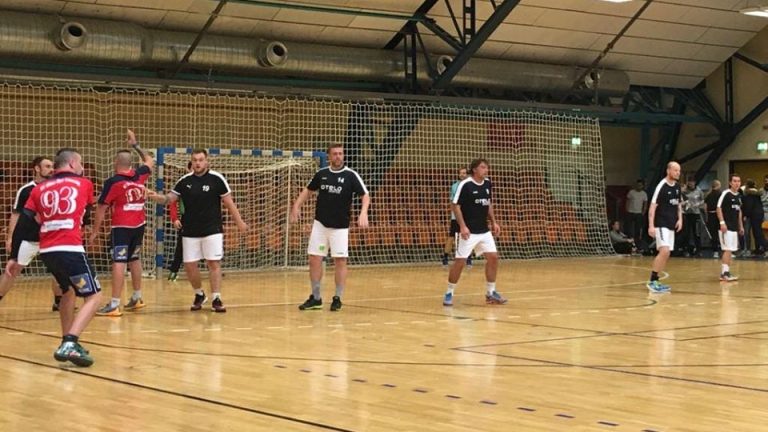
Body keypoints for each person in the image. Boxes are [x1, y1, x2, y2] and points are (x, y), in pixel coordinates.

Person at [25, 148, 102, 367]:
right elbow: (86, 211)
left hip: (47, 250)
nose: (82, 167)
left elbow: (30, 217)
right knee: (94, 296)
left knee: (68, 292)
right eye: (80, 163)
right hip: (70, 248)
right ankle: (70, 342)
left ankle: (66, 340)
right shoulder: (84, 183)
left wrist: (14, 257)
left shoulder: (39, 188)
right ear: (71, 164)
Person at [147, 149, 248, 313]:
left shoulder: (217, 179)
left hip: (212, 229)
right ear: (191, 162)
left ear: (207, 161)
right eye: (195, 160)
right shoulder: (184, 181)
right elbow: (169, 199)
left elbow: (229, 203)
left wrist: (240, 222)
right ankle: (199, 294)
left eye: (201, 160)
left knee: (213, 263)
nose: (198, 163)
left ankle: (216, 298)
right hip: (190, 231)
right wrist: (154, 196)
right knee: (189, 266)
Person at [290, 144, 370, 312]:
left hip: (340, 227)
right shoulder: (322, 174)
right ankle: (316, 297)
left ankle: (337, 298)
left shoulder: (350, 175)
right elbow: (308, 190)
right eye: (335, 154)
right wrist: (296, 206)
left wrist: (363, 212)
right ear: (329, 156)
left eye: (340, 154)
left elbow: (365, 195)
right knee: (314, 258)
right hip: (320, 225)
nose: (338, 156)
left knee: (340, 260)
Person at [90, 130, 153, 316]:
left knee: (119, 261)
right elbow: (149, 160)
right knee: (134, 258)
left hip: (121, 228)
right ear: (131, 164)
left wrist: (95, 231)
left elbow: (101, 208)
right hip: (139, 225)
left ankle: (114, 304)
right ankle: (137, 297)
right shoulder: (139, 176)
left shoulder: (113, 182)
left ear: (116, 163)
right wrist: (135, 145)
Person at [0, 156, 62, 309]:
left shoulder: (57, 188)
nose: (51, 169)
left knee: (60, 270)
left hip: (50, 237)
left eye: (52, 166)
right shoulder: (26, 190)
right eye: (47, 166)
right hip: (29, 238)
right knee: (13, 270)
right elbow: (16, 214)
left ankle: (59, 303)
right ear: (37, 168)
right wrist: (10, 238)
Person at [443, 158, 505, 307]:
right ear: (475, 169)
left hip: (483, 230)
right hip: (468, 231)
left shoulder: (488, 183)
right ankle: (449, 292)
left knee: (493, 258)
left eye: (487, 167)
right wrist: (463, 226)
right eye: (483, 167)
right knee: (460, 262)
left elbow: (488, 203)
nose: (486, 170)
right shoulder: (465, 185)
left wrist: (493, 222)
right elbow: (455, 206)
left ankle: (491, 292)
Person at [647, 161, 682, 293]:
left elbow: (678, 204)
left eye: (679, 171)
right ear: (668, 171)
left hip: (671, 223)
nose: (678, 173)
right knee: (664, 250)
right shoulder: (661, 186)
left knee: (666, 253)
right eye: (675, 170)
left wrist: (680, 219)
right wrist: (651, 226)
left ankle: (656, 281)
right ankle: (652, 281)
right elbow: (652, 207)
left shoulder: (677, 187)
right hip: (661, 223)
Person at [167, 161, 192, 281]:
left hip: (204, 219)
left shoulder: (207, 182)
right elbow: (172, 202)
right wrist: (175, 218)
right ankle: (174, 271)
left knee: (207, 244)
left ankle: (214, 269)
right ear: (188, 169)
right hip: (187, 218)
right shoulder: (182, 183)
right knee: (181, 245)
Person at [442, 167, 472, 267]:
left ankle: (468, 258)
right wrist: (454, 214)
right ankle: (445, 258)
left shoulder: (470, 185)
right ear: (458, 174)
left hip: (467, 216)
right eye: (461, 173)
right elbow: (452, 202)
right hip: (456, 216)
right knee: (451, 237)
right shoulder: (455, 186)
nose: (462, 175)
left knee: (467, 237)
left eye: (464, 173)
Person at [717, 174, 743, 281]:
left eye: (738, 181)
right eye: (735, 181)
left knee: (730, 250)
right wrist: (722, 222)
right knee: (727, 249)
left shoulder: (739, 196)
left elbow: (739, 212)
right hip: (726, 227)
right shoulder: (726, 194)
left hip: (734, 227)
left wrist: (741, 226)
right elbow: (718, 208)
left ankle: (726, 272)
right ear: (730, 183)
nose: (737, 183)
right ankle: (724, 274)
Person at [741, 179, 766, 256]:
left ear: (747, 185)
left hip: (752, 215)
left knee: (751, 233)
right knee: (757, 233)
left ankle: (749, 250)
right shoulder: (757, 193)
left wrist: (746, 215)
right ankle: (758, 249)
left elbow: (749, 206)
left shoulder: (748, 194)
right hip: (760, 214)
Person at [681, 177, 704, 256]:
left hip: (696, 214)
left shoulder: (699, 190)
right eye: (689, 182)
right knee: (686, 233)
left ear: (694, 182)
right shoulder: (685, 191)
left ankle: (698, 250)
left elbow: (703, 200)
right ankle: (686, 250)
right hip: (687, 214)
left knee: (697, 233)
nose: (691, 183)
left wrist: (698, 204)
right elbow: (681, 199)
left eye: (692, 182)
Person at [625, 179, 647, 245]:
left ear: (642, 186)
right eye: (637, 185)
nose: (638, 186)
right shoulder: (631, 192)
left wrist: (643, 212)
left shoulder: (644, 194)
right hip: (630, 212)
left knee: (638, 228)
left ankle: (637, 242)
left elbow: (645, 204)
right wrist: (627, 209)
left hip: (639, 213)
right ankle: (628, 240)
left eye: (640, 185)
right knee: (629, 227)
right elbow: (627, 201)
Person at [704, 180, 722, 258]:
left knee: (713, 234)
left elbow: (705, 207)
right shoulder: (720, 194)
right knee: (721, 233)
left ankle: (715, 251)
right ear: (718, 185)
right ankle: (725, 250)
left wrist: (707, 216)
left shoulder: (708, 195)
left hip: (711, 215)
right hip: (718, 215)